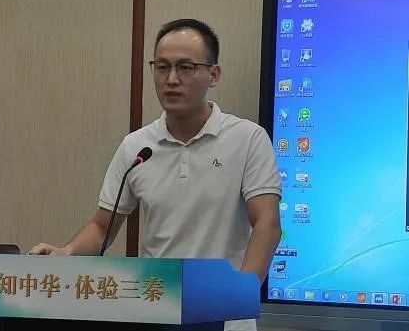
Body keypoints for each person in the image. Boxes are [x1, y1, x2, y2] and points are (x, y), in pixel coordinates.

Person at [30, 18, 282, 331]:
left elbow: (267, 223)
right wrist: (67, 252)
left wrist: (240, 293)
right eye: (162, 67)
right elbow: (102, 225)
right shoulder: (137, 146)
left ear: (213, 74)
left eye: (185, 67)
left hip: (224, 317)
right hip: (158, 312)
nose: (171, 79)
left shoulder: (248, 138)